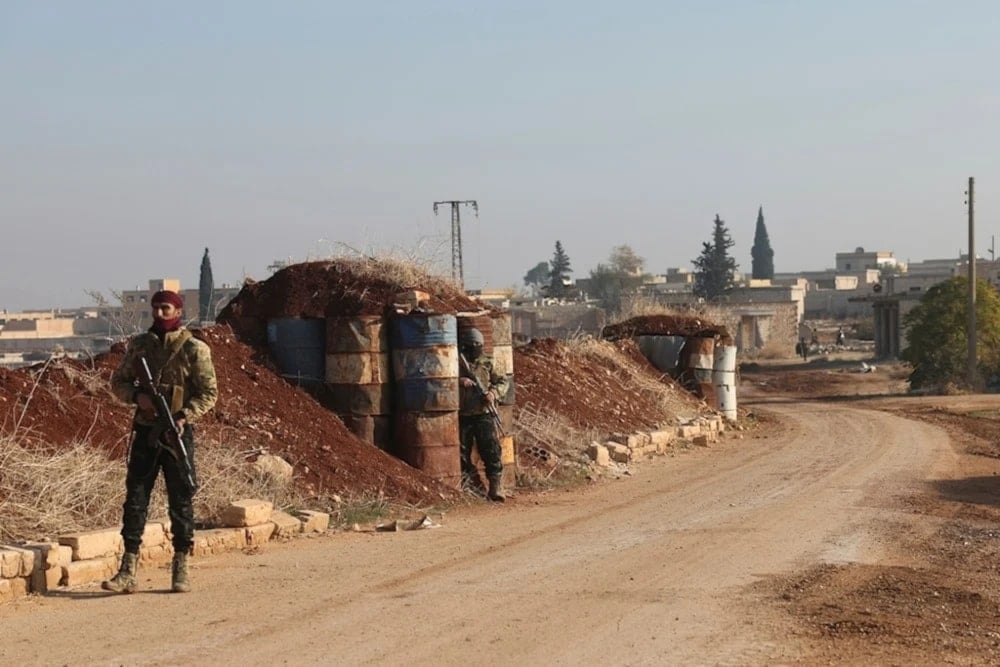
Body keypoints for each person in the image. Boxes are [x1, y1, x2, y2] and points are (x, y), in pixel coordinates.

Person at [103, 290, 218, 594]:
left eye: (165, 308)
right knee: (136, 499)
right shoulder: (140, 346)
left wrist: (183, 417)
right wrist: (138, 397)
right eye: (155, 309)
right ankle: (128, 568)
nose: (159, 314)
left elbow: (208, 393)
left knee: (181, 498)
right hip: (145, 433)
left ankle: (181, 565)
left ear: (177, 311)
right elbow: (118, 382)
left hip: (177, 431)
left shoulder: (194, 350)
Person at [458, 327, 509, 502]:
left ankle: (495, 488)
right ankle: (470, 486)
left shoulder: (488, 362)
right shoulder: (457, 361)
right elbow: (443, 379)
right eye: (469, 346)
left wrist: (493, 394)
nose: (473, 349)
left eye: (476, 346)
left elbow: (503, 381)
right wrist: (460, 381)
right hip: (462, 414)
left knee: (491, 450)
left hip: (483, 413)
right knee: (461, 452)